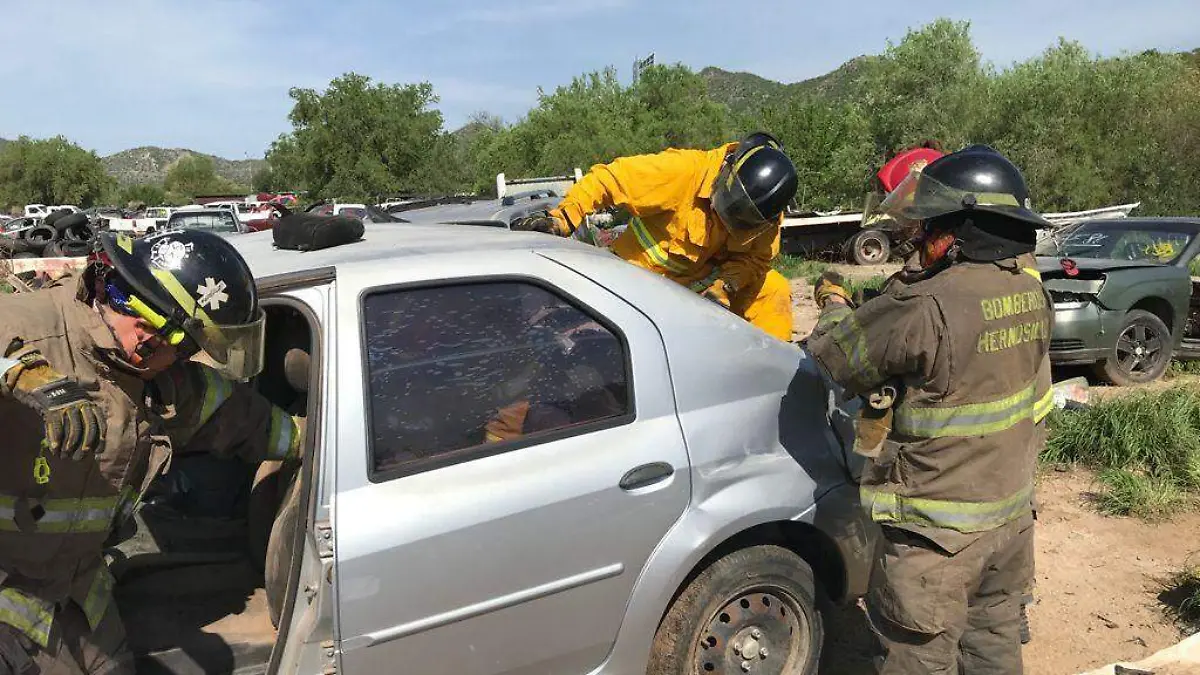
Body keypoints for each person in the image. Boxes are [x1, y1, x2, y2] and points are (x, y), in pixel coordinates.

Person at [0, 229, 302, 674]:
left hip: (82, 593)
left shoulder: (152, 380)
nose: (188, 361)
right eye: (188, 348)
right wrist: (15, 372)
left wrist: (308, 441)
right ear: (149, 332)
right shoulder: (31, 328)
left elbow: (241, 418)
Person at [805, 144, 1054, 673]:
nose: (920, 235)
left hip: (934, 542)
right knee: (992, 647)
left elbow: (834, 357)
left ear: (961, 230)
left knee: (916, 658)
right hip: (1009, 521)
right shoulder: (1031, 290)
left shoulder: (923, 305)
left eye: (930, 224)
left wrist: (832, 301)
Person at [512, 133, 799, 341]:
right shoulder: (683, 171)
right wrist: (563, 219)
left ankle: (775, 379)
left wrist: (725, 288)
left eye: (743, 217)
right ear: (728, 168)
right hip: (632, 284)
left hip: (696, 293)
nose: (730, 216)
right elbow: (610, 179)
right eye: (731, 201)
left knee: (773, 288)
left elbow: (755, 261)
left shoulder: (767, 215)